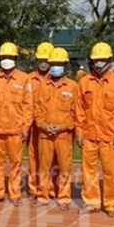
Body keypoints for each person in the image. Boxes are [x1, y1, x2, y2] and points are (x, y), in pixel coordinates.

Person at [76, 42, 114, 217]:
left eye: (103, 60)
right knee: (89, 171)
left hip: (111, 135)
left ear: (110, 60)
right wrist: (79, 132)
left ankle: (111, 203)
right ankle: (92, 202)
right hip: (89, 134)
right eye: (96, 60)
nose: (99, 63)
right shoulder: (84, 82)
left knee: (112, 171)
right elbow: (79, 109)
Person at [0, 41, 33, 206]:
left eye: (10, 57)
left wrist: (26, 127)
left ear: (16, 59)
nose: (7, 60)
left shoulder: (24, 79)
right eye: (4, 57)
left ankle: (15, 194)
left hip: (16, 130)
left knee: (15, 163)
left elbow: (28, 106)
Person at [34, 47, 78, 210]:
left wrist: (62, 127)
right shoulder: (42, 86)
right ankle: (42, 196)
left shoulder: (73, 87)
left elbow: (76, 112)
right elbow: (37, 109)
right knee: (43, 166)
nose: (55, 67)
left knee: (64, 166)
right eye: (53, 64)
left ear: (65, 65)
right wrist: (43, 126)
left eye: (59, 64)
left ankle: (64, 197)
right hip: (45, 134)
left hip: (63, 135)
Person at [28, 41, 53, 203]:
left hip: (51, 125)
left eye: (47, 60)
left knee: (53, 159)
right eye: (41, 59)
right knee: (34, 156)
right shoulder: (29, 79)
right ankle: (34, 188)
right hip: (32, 124)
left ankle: (51, 188)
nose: (44, 63)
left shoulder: (57, 79)